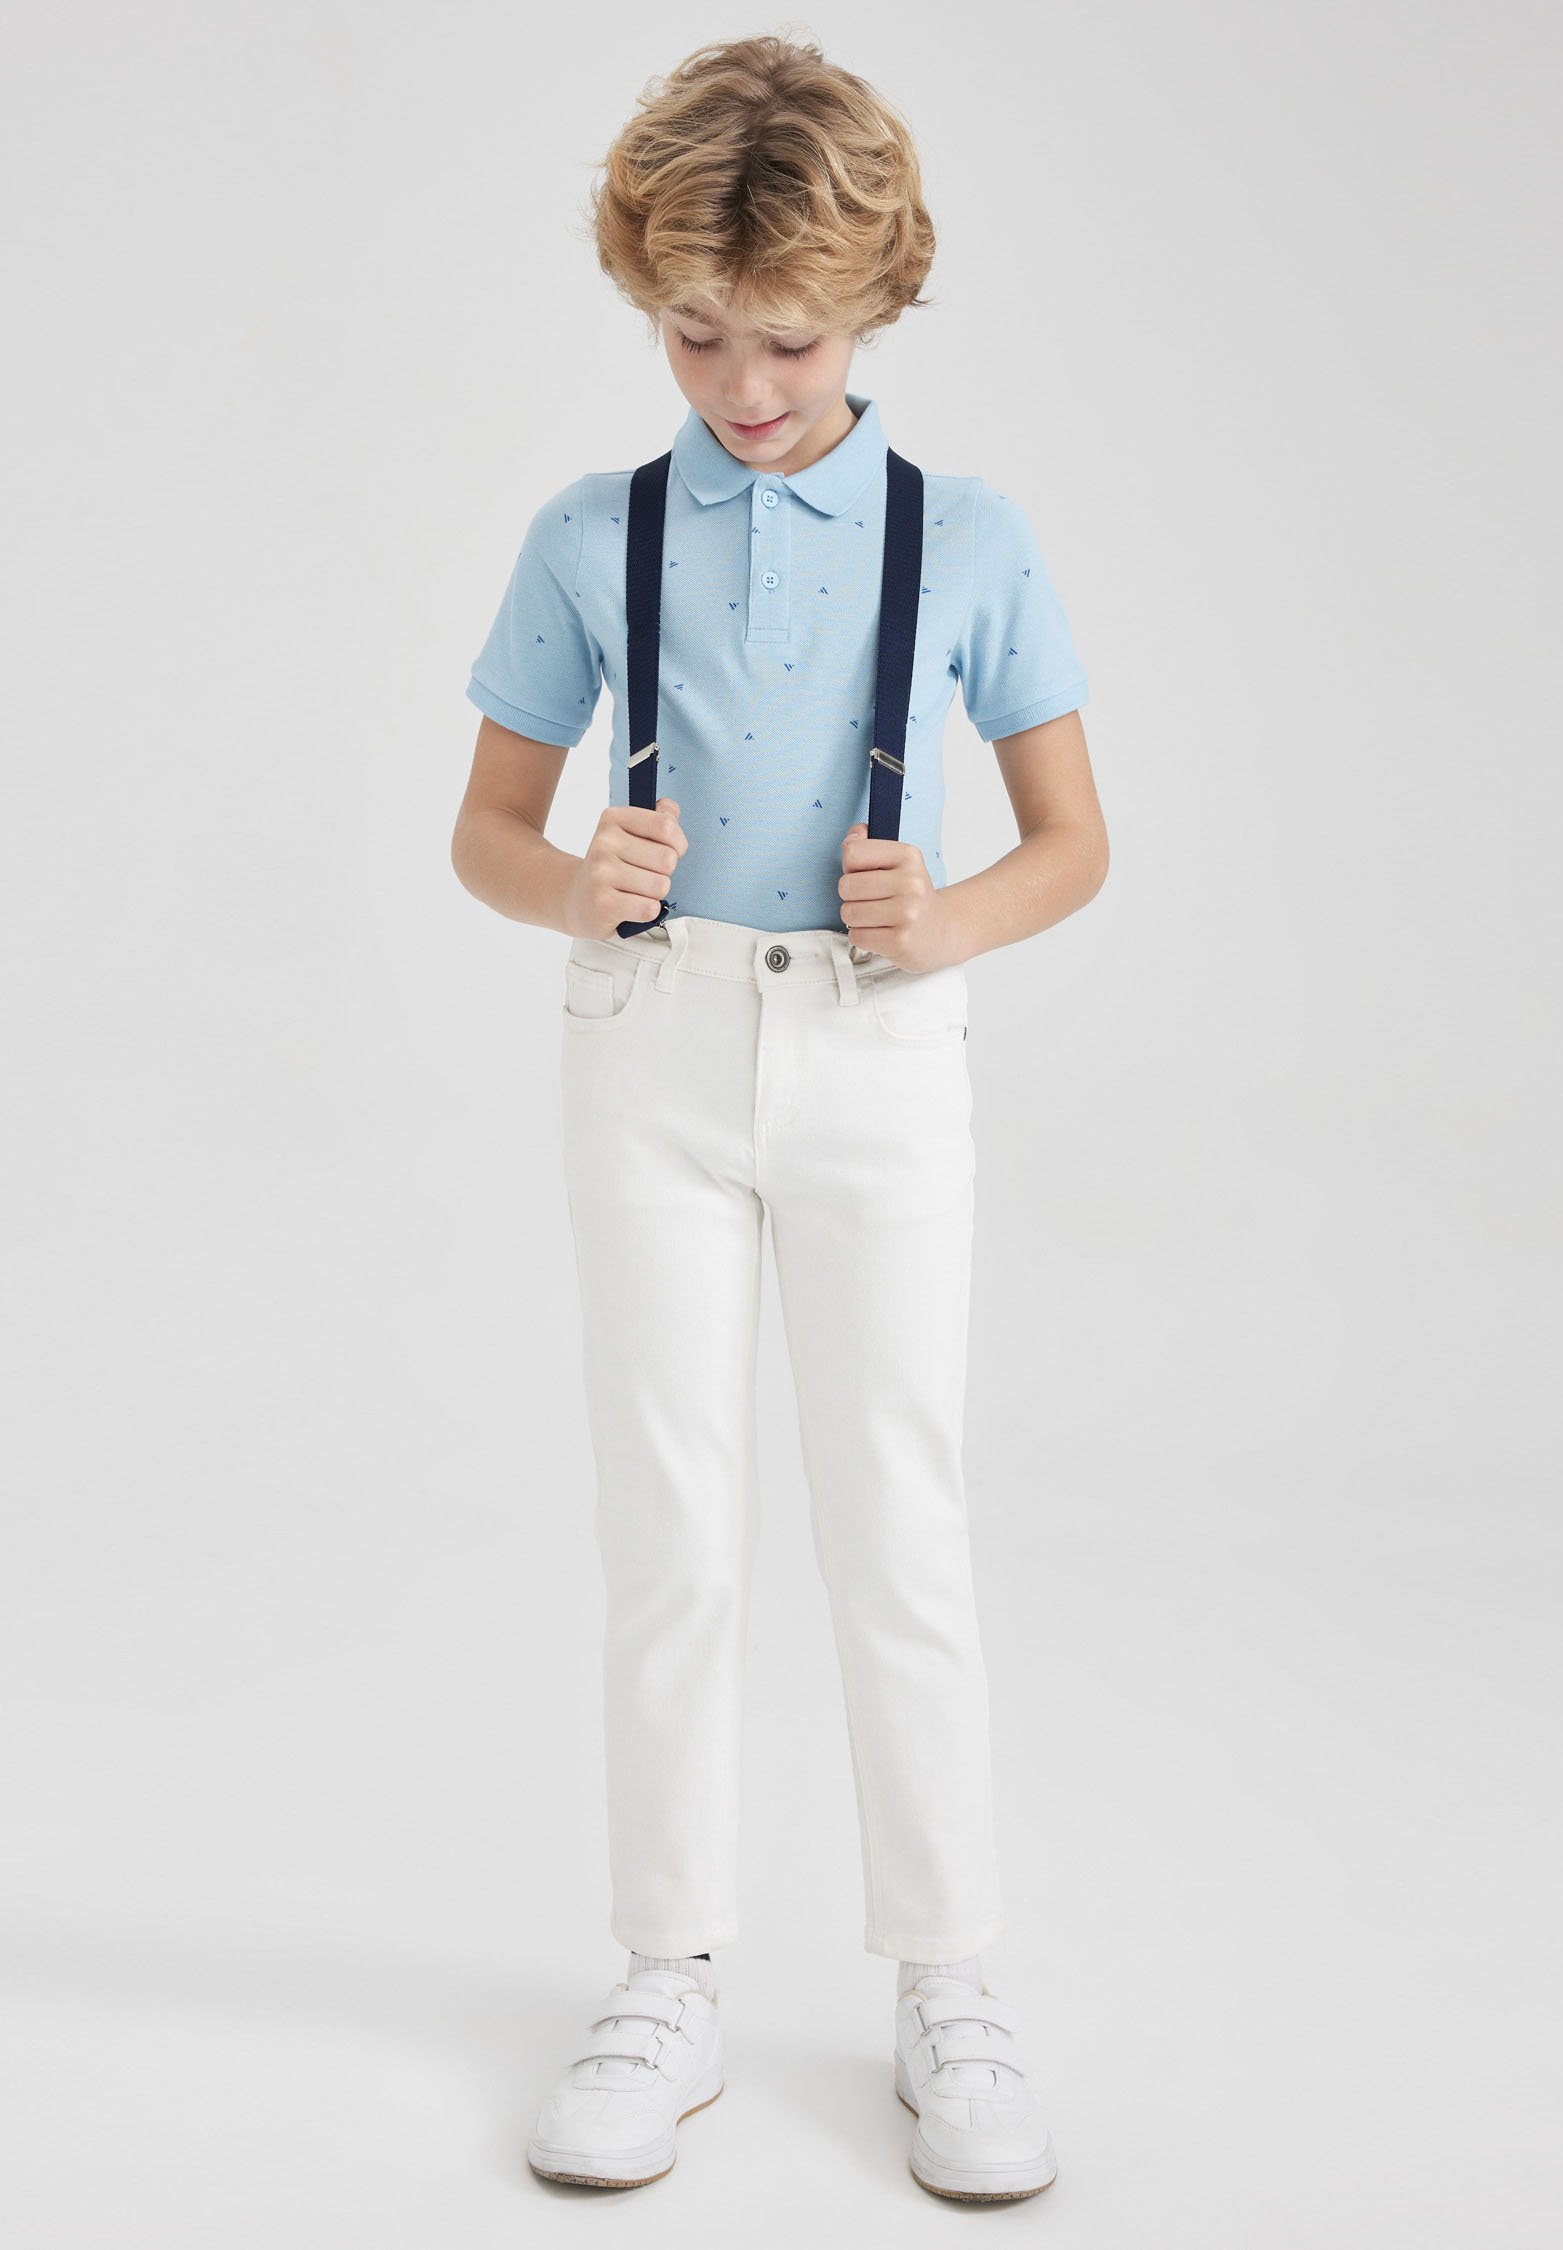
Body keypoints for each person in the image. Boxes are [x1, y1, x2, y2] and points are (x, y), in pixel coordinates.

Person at [449, 33, 1108, 2203]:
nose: (741, 384)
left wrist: (949, 915)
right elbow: (483, 830)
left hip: (876, 1055)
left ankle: (947, 1979)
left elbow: (1075, 841)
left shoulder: (967, 538)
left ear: (878, 298)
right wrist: (574, 878)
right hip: (646, 1047)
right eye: (694, 333)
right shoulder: (590, 533)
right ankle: (669, 1971)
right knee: (671, 1525)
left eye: (790, 340)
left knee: (896, 1515)